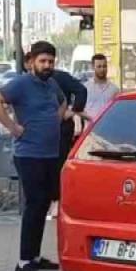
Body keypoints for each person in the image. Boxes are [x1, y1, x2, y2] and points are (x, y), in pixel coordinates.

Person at [0, 41, 66, 271]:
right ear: (31, 62)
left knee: (43, 204)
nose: (47, 65)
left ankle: (35, 256)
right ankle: (23, 262)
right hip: (29, 154)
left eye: (50, 61)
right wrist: (13, 127)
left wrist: (56, 119)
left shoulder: (51, 84)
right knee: (34, 204)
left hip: (50, 153)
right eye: (42, 61)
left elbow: (63, 101)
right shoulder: (21, 83)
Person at [50, 59, 87, 219]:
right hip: (41, 129)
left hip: (62, 128)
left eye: (48, 61)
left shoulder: (61, 77)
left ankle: (57, 199)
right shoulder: (29, 81)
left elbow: (81, 90)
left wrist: (73, 111)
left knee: (59, 164)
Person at [83, 53, 119, 118]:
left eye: (104, 66)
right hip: (90, 124)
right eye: (99, 66)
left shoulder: (114, 89)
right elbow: (78, 110)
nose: (102, 69)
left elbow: (117, 110)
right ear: (93, 67)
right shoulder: (85, 88)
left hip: (108, 123)